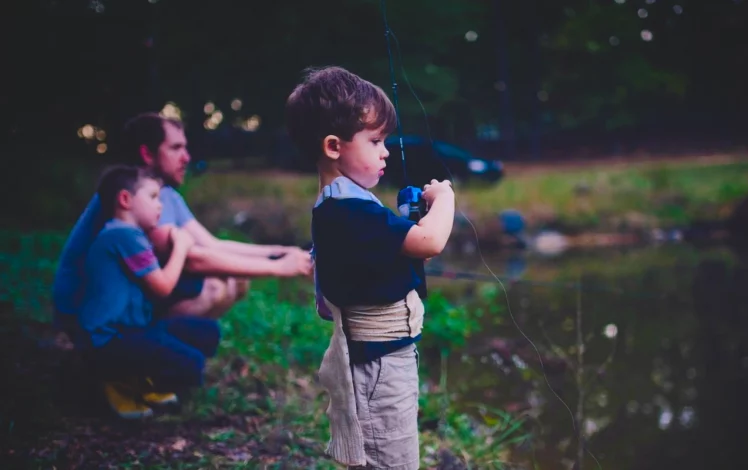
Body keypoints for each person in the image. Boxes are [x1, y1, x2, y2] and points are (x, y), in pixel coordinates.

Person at [285, 66, 455, 469]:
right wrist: (444, 198)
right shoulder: (350, 210)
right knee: (391, 460)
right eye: (375, 140)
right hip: (379, 366)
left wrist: (407, 246)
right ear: (333, 146)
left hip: (382, 359)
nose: (385, 152)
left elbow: (395, 253)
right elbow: (430, 241)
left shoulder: (343, 204)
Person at [52, 112, 313, 337]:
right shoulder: (134, 198)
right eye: (176, 148)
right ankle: (141, 357)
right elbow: (193, 260)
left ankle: (163, 351)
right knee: (214, 286)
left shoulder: (165, 195)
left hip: (128, 297)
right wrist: (278, 267)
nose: (186, 157)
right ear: (147, 153)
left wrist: (281, 251)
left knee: (235, 279)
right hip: (84, 310)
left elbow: (211, 244)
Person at [77, 165, 220, 419]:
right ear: (125, 200)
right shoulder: (123, 236)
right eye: (153, 197)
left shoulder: (131, 235)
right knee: (191, 364)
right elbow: (163, 286)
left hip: (131, 331)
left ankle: (139, 377)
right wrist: (181, 246)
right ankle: (120, 382)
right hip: (107, 342)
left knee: (208, 333)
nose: (160, 205)